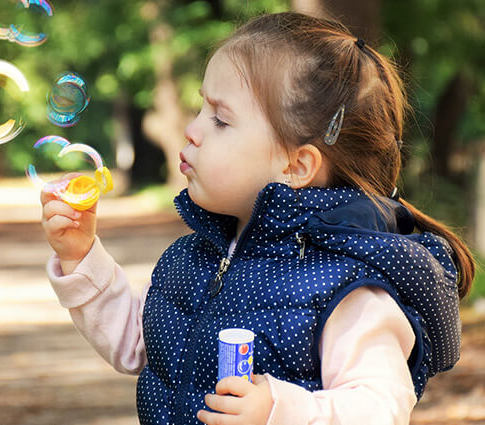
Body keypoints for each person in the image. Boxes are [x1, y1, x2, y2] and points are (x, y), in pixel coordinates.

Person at [40, 11, 475, 425]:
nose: (193, 129)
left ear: (296, 166)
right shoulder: (196, 257)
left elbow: (381, 406)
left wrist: (279, 409)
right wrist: (82, 257)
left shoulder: (346, 286)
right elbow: (141, 344)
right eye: (200, 109)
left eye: (221, 119)